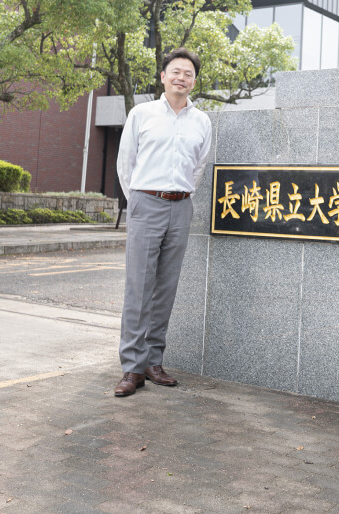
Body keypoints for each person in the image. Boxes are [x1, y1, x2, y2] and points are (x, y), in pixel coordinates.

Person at [114, 48, 212, 397]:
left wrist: (178, 195)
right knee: (138, 288)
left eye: (187, 73)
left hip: (180, 206)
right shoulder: (142, 114)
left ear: (194, 81)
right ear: (163, 77)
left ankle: (154, 362)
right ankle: (132, 368)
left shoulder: (202, 122)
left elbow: (198, 168)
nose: (181, 77)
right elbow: (126, 164)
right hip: (145, 202)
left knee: (165, 288)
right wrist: (139, 200)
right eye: (175, 71)